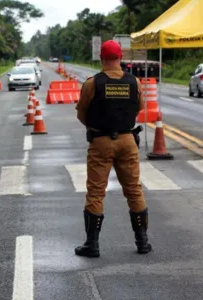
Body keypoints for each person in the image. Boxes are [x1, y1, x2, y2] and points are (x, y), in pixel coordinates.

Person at [74, 40, 152, 258]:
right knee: (134, 190)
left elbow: (81, 113)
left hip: (100, 142)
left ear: (101, 58)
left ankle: (92, 244)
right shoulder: (134, 82)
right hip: (128, 141)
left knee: (96, 192)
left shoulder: (92, 83)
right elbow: (139, 108)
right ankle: (142, 242)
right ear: (120, 58)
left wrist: (97, 127)